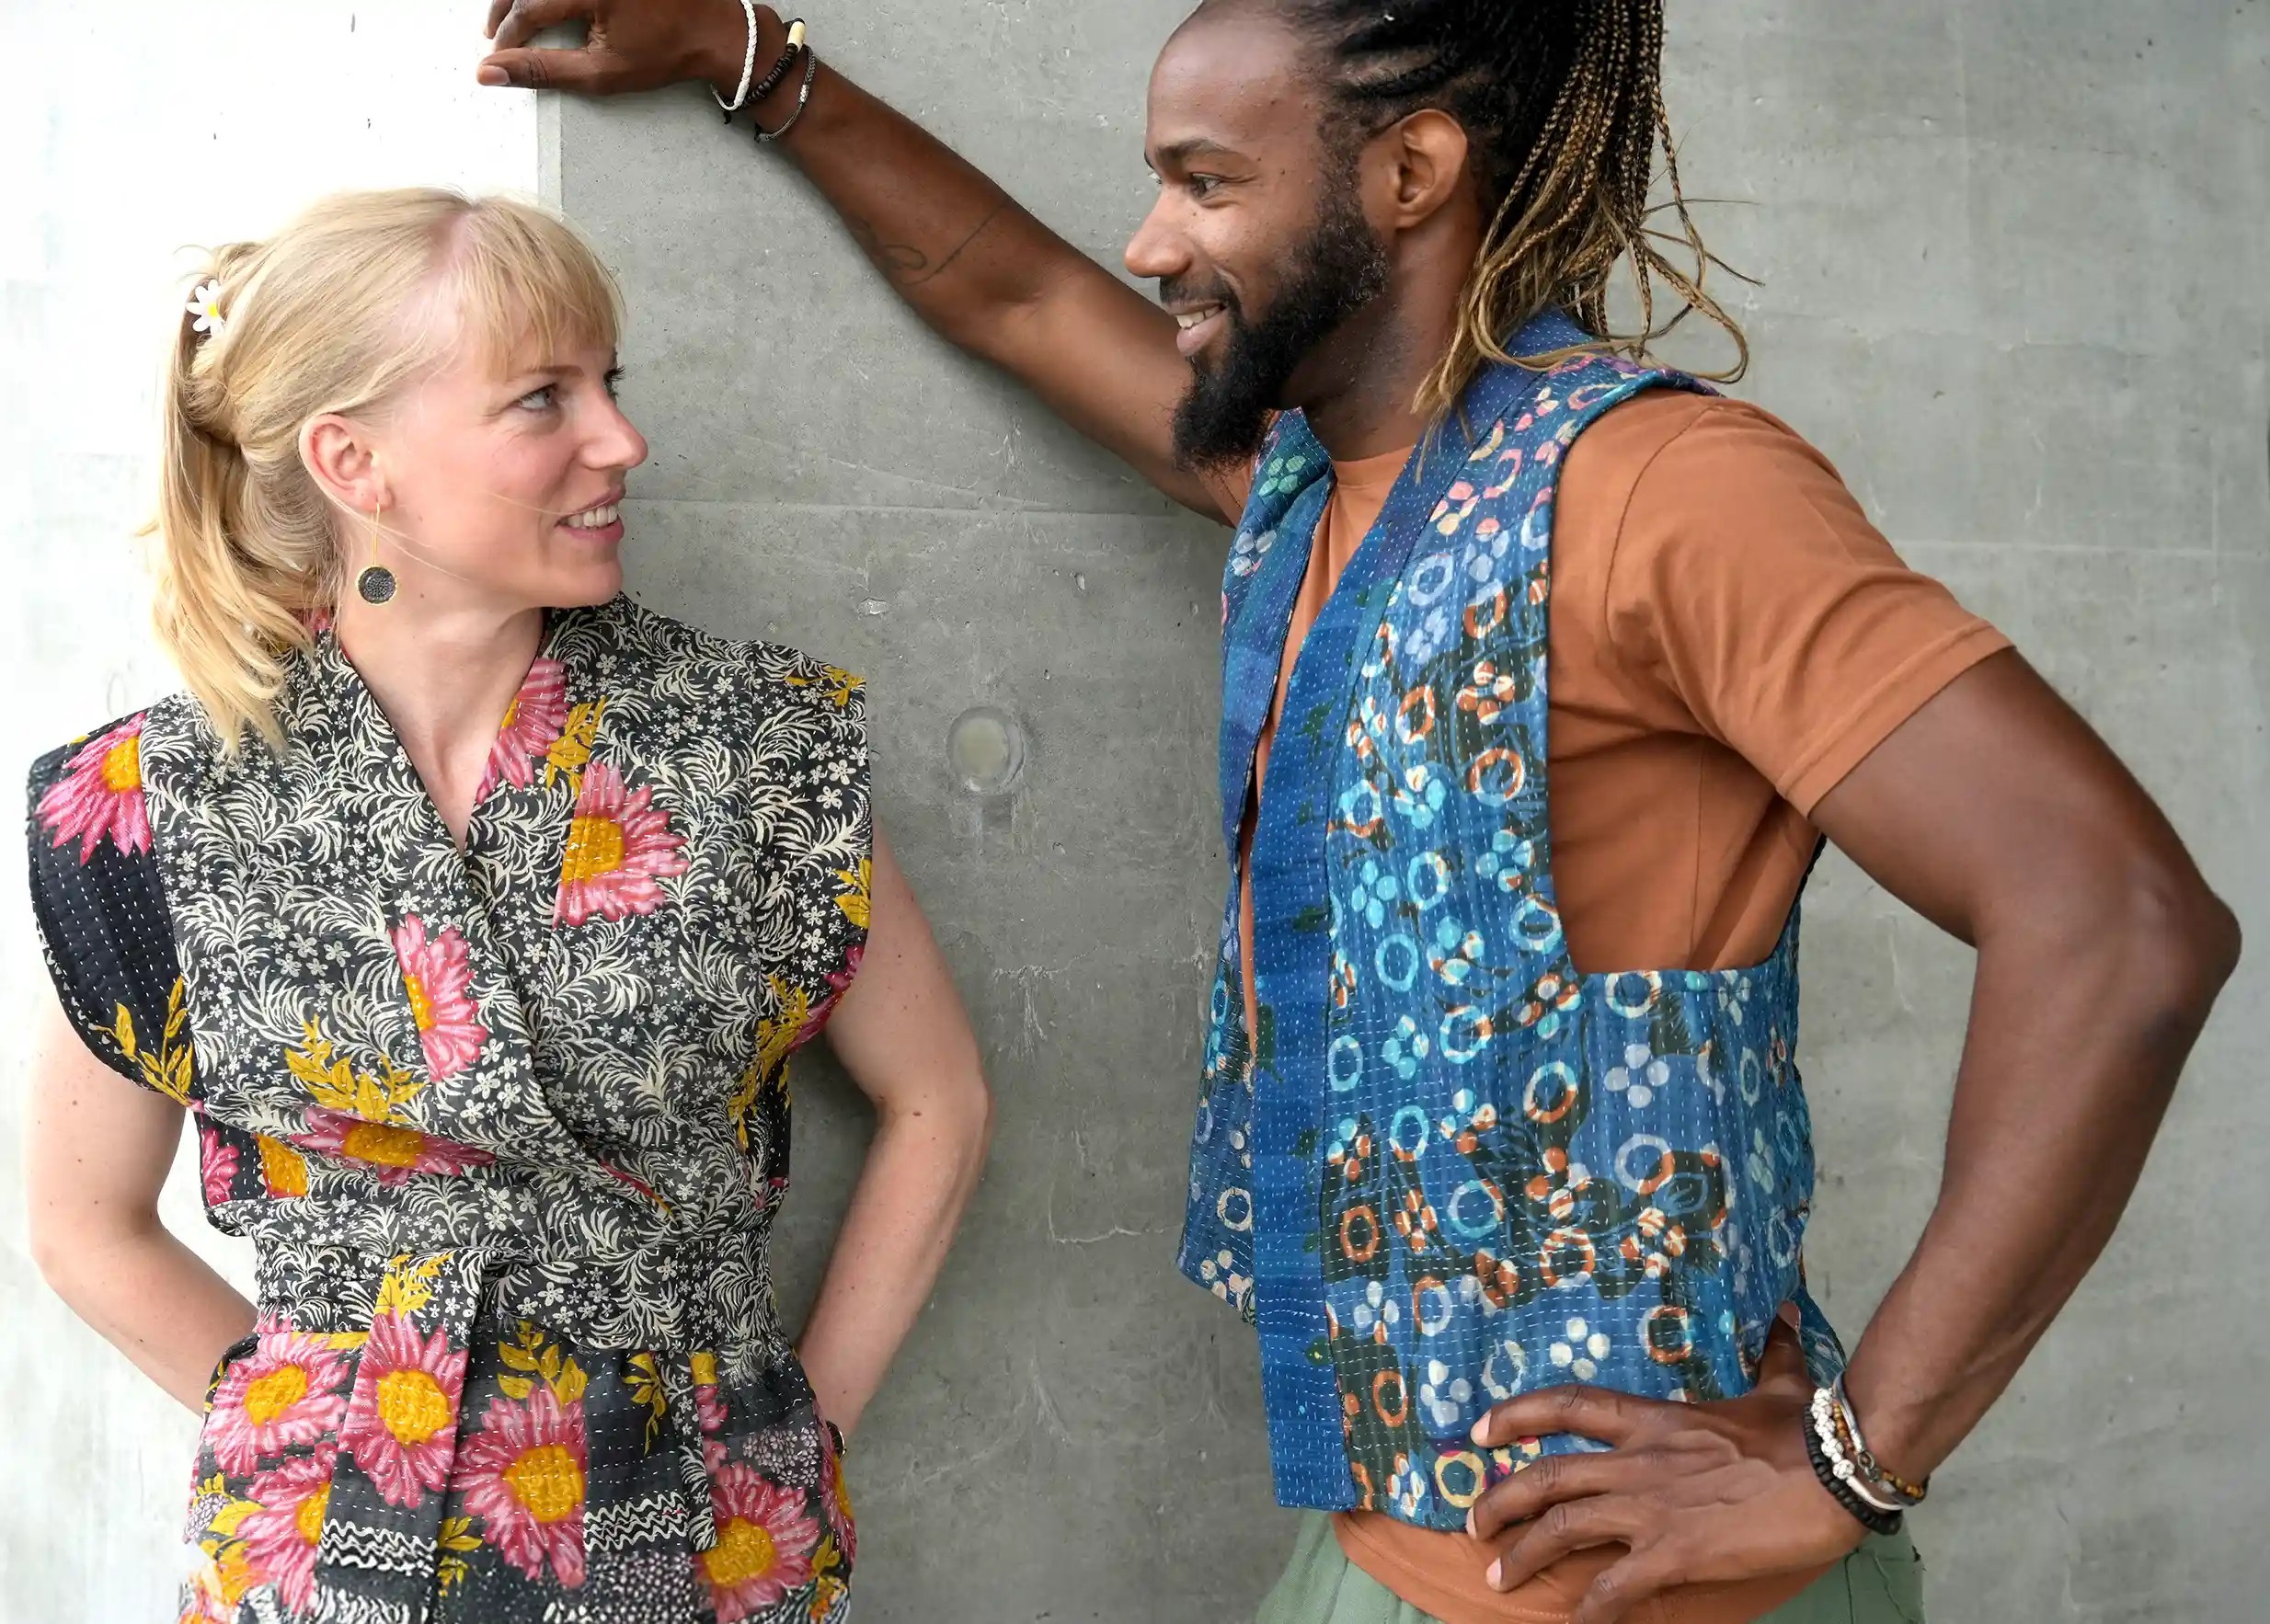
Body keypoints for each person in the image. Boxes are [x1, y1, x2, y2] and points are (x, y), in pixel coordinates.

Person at [474, 4, 2242, 1621]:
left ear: (1410, 173)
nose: (1156, 240)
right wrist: (748, 52)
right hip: (1381, 1544)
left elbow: (2118, 919)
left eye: (1207, 182)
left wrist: (1849, 1464)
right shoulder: (1310, 482)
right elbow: (1014, 292)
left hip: (1642, 1589)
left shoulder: (1663, 490)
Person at [23, 187, 993, 1624]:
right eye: (545, 398)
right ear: (355, 461)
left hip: (710, 1528)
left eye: (613, 383)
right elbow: (81, 1222)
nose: (621, 440)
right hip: (326, 1558)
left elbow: (939, 1101)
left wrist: (801, 1439)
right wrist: (300, 1429)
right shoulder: (153, 801)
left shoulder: (750, 746)